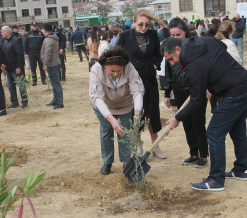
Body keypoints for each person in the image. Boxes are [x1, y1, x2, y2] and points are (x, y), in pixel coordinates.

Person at [161, 37, 247, 191]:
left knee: (214, 133)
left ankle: (216, 179)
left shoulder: (192, 66)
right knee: (237, 129)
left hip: (234, 93)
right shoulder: (203, 41)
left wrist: (177, 118)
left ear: (178, 49)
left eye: (171, 58)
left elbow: (197, 101)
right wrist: (211, 84)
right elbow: (221, 49)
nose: (172, 63)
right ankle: (241, 170)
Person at [117, 10, 166, 159]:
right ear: (134, 23)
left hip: (150, 80)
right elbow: (118, 54)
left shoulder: (152, 35)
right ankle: (138, 146)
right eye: (140, 24)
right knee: (136, 114)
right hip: (132, 82)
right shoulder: (125, 36)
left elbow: (159, 54)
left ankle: (155, 145)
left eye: (147, 24)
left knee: (152, 113)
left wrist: (156, 66)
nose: (144, 27)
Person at [89, 48, 144, 174]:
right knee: (106, 132)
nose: (115, 74)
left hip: (125, 105)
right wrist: (111, 120)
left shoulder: (129, 67)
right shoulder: (96, 69)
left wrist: (137, 114)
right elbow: (97, 97)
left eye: (119, 70)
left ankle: (126, 162)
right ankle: (107, 162)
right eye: (112, 71)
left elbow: (137, 91)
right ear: (104, 66)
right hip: (104, 106)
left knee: (124, 133)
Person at [164, 17, 209, 168]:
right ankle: (193, 153)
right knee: (186, 123)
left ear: (185, 33)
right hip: (179, 92)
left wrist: (207, 88)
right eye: (173, 35)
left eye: (179, 35)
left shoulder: (194, 47)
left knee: (198, 123)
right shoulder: (168, 51)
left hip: (195, 91)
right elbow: (168, 76)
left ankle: (203, 155)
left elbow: (205, 70)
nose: (176, 38)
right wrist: (166, 94)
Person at [0, 26, 27, 109]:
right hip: (8, 68)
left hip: (16, 68)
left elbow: (19, 55)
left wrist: (18, 67)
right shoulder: (4, 41)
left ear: (7, 32)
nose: (1, 33)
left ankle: (24, 102)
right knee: (11, 87)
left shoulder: (15, 41)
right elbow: (4, 55)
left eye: (2, 32)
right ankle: (14, 102)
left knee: (21, 86)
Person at [41, 22, 64, 109]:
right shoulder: (51, 38)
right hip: (54, 63)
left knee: (56, 84)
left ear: (45, 30)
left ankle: (60, 102)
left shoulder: (49, 40)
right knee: (54, 83)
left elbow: (48, 53)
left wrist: (45, 64)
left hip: (52, 64)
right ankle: (55, 100)